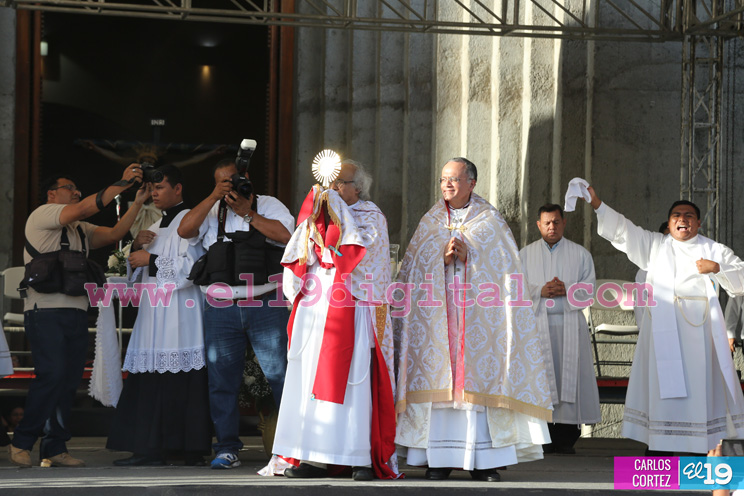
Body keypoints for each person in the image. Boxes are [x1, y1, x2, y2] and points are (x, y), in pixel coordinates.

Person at [394, 157, 552, 482]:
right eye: (443, 179)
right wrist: (439, 258)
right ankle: (438, 460)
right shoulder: (431, 221)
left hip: (477, 322)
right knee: (439, 390)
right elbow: (411, 270)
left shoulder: (490, 220)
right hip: (438, 323)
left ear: (471, 183)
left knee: (477, 391)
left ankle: (483, 462)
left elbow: (506, 272)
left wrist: (472, 258)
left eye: (453, 179)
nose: (446, 185)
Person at [582, 185, 744, 453]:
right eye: (676, 215)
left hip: (699, 337)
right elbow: (624, 231)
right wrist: (597, 203)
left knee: (698, 393)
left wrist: (717, 268)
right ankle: (659, 452)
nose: (683, 219)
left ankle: (696, 453)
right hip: (663, 337)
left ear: (698, 223)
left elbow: (740, 281)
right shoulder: (655, 245)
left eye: (689, 215)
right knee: (662, 394)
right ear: (669, 224)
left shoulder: (713, 250)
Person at [9, 165, 148, 468]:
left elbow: (115, 234)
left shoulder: (80, 229)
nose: (75, 193)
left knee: (69, 380)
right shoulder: (43, 214)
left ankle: (54, 447)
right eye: (69, 188)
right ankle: (21, 441)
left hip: (76, 312)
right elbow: (85, 207)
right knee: (52, 375)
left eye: (76, 189)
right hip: (45, 311)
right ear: (52, 194)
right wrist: (124, 182)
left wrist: (137, 202)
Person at [272, 161, 398, 481]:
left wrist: (335, 215)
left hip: (352, 307)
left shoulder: (371, 216)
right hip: (317, 308)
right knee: (311, 380)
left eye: (340, 182)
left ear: (358, 187)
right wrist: (314, 227)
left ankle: (358, 458)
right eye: (330, 182)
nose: (333, 188)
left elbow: (361, 259)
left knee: (353, 383)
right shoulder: (320, 213)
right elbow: (299, 256)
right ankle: (313, 456)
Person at [177, 159, 293, 469]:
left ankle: (289, 449)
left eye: (234, 180)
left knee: (280, 376)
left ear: (247, 178)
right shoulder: (211, 210)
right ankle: (227, 448)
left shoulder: (268, 205)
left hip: (265, 302)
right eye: (222, 182)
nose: (230, 186)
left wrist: (247, 212)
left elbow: (287, 236)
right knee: (221, 381)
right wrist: (213, 197)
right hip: (221, 306)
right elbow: (184, 230)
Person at [106, 165, 211, 466]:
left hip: (180, 312)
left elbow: (194, 268)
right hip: (153, 312)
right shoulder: (154, 224)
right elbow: (137, 273)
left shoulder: (191, 220)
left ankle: (183, 449)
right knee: (149, 376)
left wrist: (150, 260)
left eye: (160, 187)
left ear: (178, 189)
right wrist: (136, 248)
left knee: (179, 378)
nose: (154, 193)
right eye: (152, 188)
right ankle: (150, 448)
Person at [519, 203, 600, 455]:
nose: (551, 227)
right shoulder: (524, 255)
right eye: (547, 222)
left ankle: (566, 437)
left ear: (564, 223)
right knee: (540, 379)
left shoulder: (580, 254)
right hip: (537, 326)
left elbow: (590, 290)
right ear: (538, 225)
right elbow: (514, 288)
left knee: (569, 378)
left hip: (570, 326)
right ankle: (540, 436)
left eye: (556, 221)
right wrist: (539, 291)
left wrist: (569, 289)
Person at [634, 221, 670, 329]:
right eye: (667, 238)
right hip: (655, 326)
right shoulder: (645, 271)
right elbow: (640, 305)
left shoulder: (691, 266)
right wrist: (643, 330)